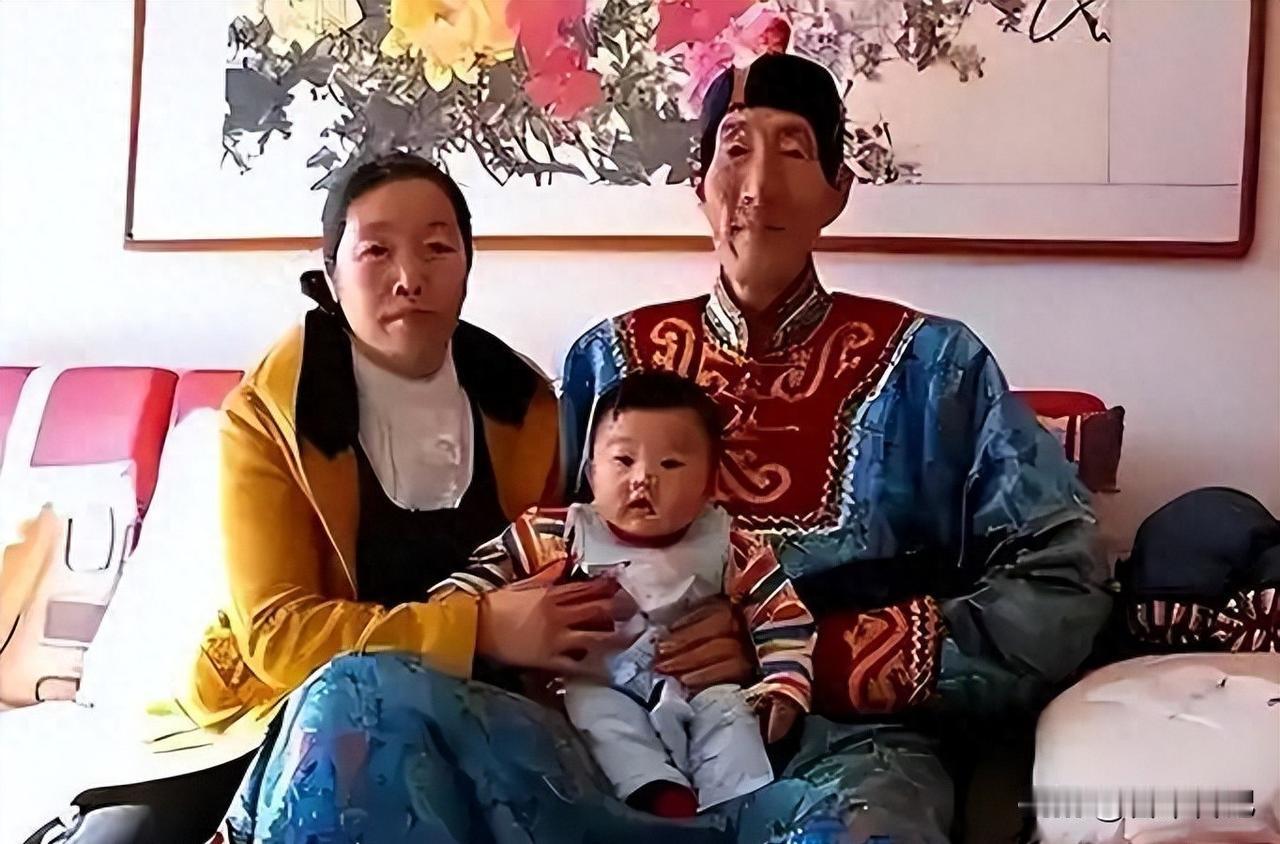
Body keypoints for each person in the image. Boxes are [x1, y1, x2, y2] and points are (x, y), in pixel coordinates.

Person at [558, 53, 1115, 840]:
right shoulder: (606, 363)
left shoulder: (934, 368)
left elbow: (1067, 579)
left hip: (849, 748)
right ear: (698, 183)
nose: (757, 187)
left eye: (793, 151)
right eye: (734, 148)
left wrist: (808, 655)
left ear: (838, 190)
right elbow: (535, 557)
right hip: (623, 739)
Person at [36, 153, 620, 844]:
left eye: (438, 249)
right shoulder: (271, 411)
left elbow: (552, 576)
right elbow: (277, 635)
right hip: (270, 711)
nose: (410, 278)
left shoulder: (524, 405)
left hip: (476, 709)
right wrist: (480, 629)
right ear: (332, 274)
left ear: (468, 266)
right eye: (376, 251)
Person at [435, 371, 816, 816]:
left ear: (710, 482)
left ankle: (740, 812)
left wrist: (784, 683)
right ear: (591, 471)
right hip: (602, 679)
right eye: (623, 460)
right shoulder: (557, 532)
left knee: (731, 717)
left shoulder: (730, 544)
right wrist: (452, 609)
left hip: (700, 683)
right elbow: (487, 572)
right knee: (596, 716)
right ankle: (659, 798)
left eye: (670, 464)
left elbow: (780, 614)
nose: (643, 479)